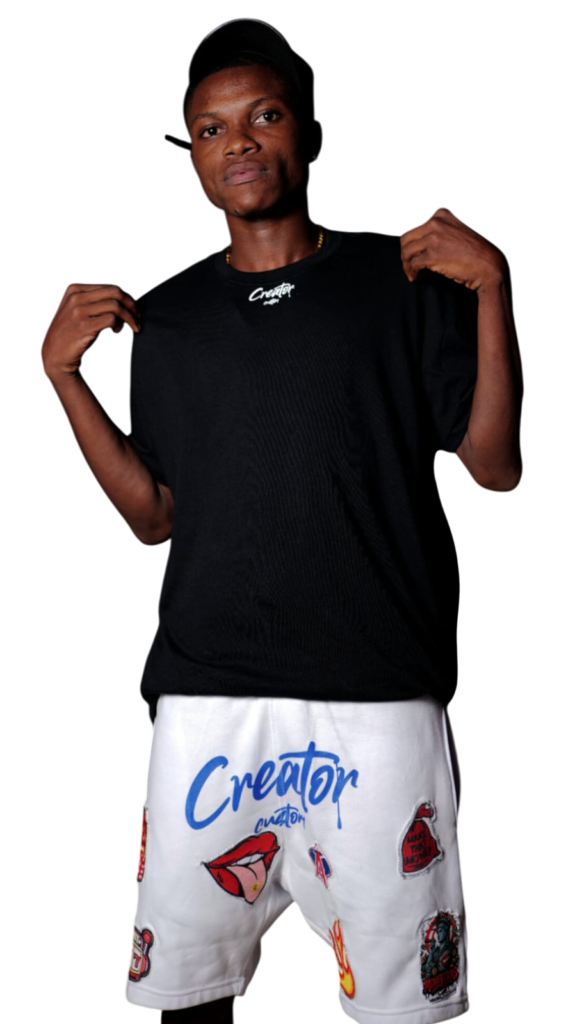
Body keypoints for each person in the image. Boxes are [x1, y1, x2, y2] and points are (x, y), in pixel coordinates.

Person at [40, 17, 494, 1024]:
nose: (237, 141)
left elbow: (495, 467)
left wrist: (492, 289)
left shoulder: (395, 277)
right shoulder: (167, 318)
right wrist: (62, 377)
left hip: (376, 689)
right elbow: (152, 520)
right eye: (209, 129)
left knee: (404, 1004)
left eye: (264, 115)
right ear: (191, 160)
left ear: (308, 133)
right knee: (179, 994)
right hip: (209, 696)